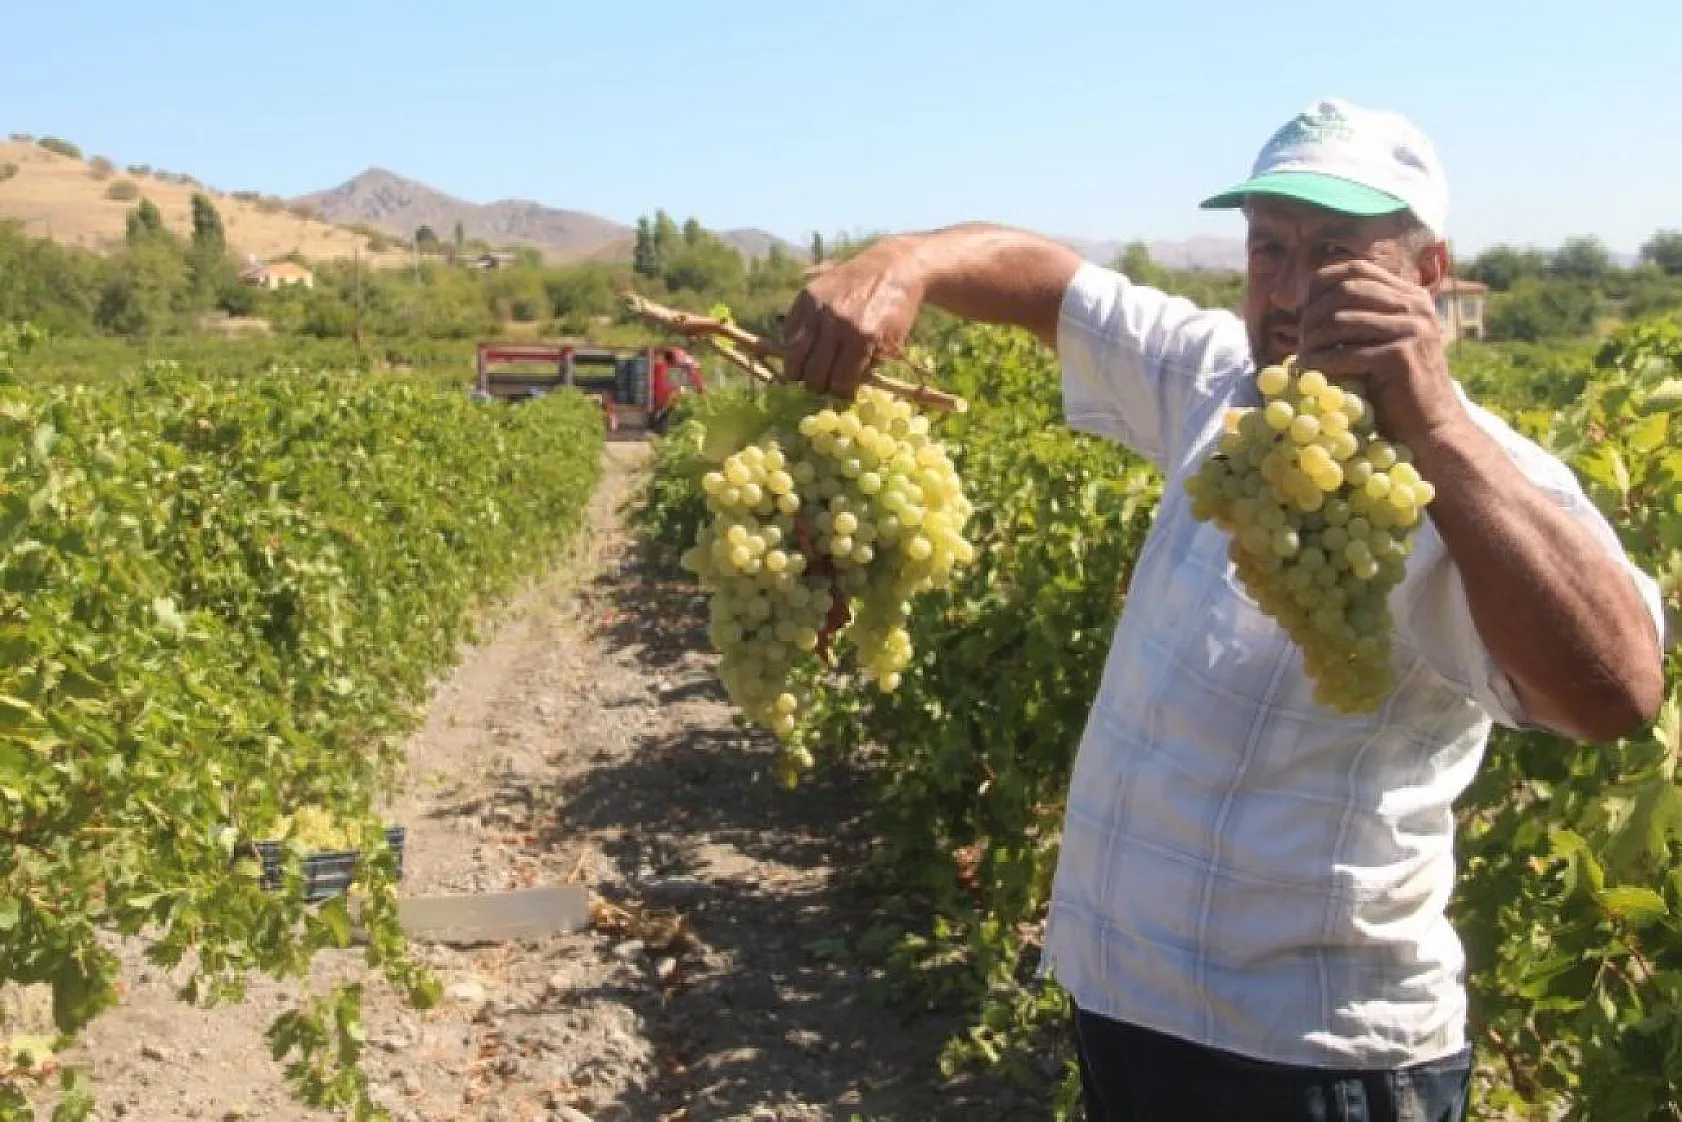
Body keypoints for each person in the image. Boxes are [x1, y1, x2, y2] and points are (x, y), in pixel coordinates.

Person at [777, 98, 1667, 1122]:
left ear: (1426, 274)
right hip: (1129, 1015)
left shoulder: (1482, 477)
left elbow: (1618, 692)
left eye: (1334, 254)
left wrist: (1433, 426)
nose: (1287, 292)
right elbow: (1048, 283)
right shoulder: (1222, 384)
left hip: (1314, 1065)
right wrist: (906, 261)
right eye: (1266, 249)